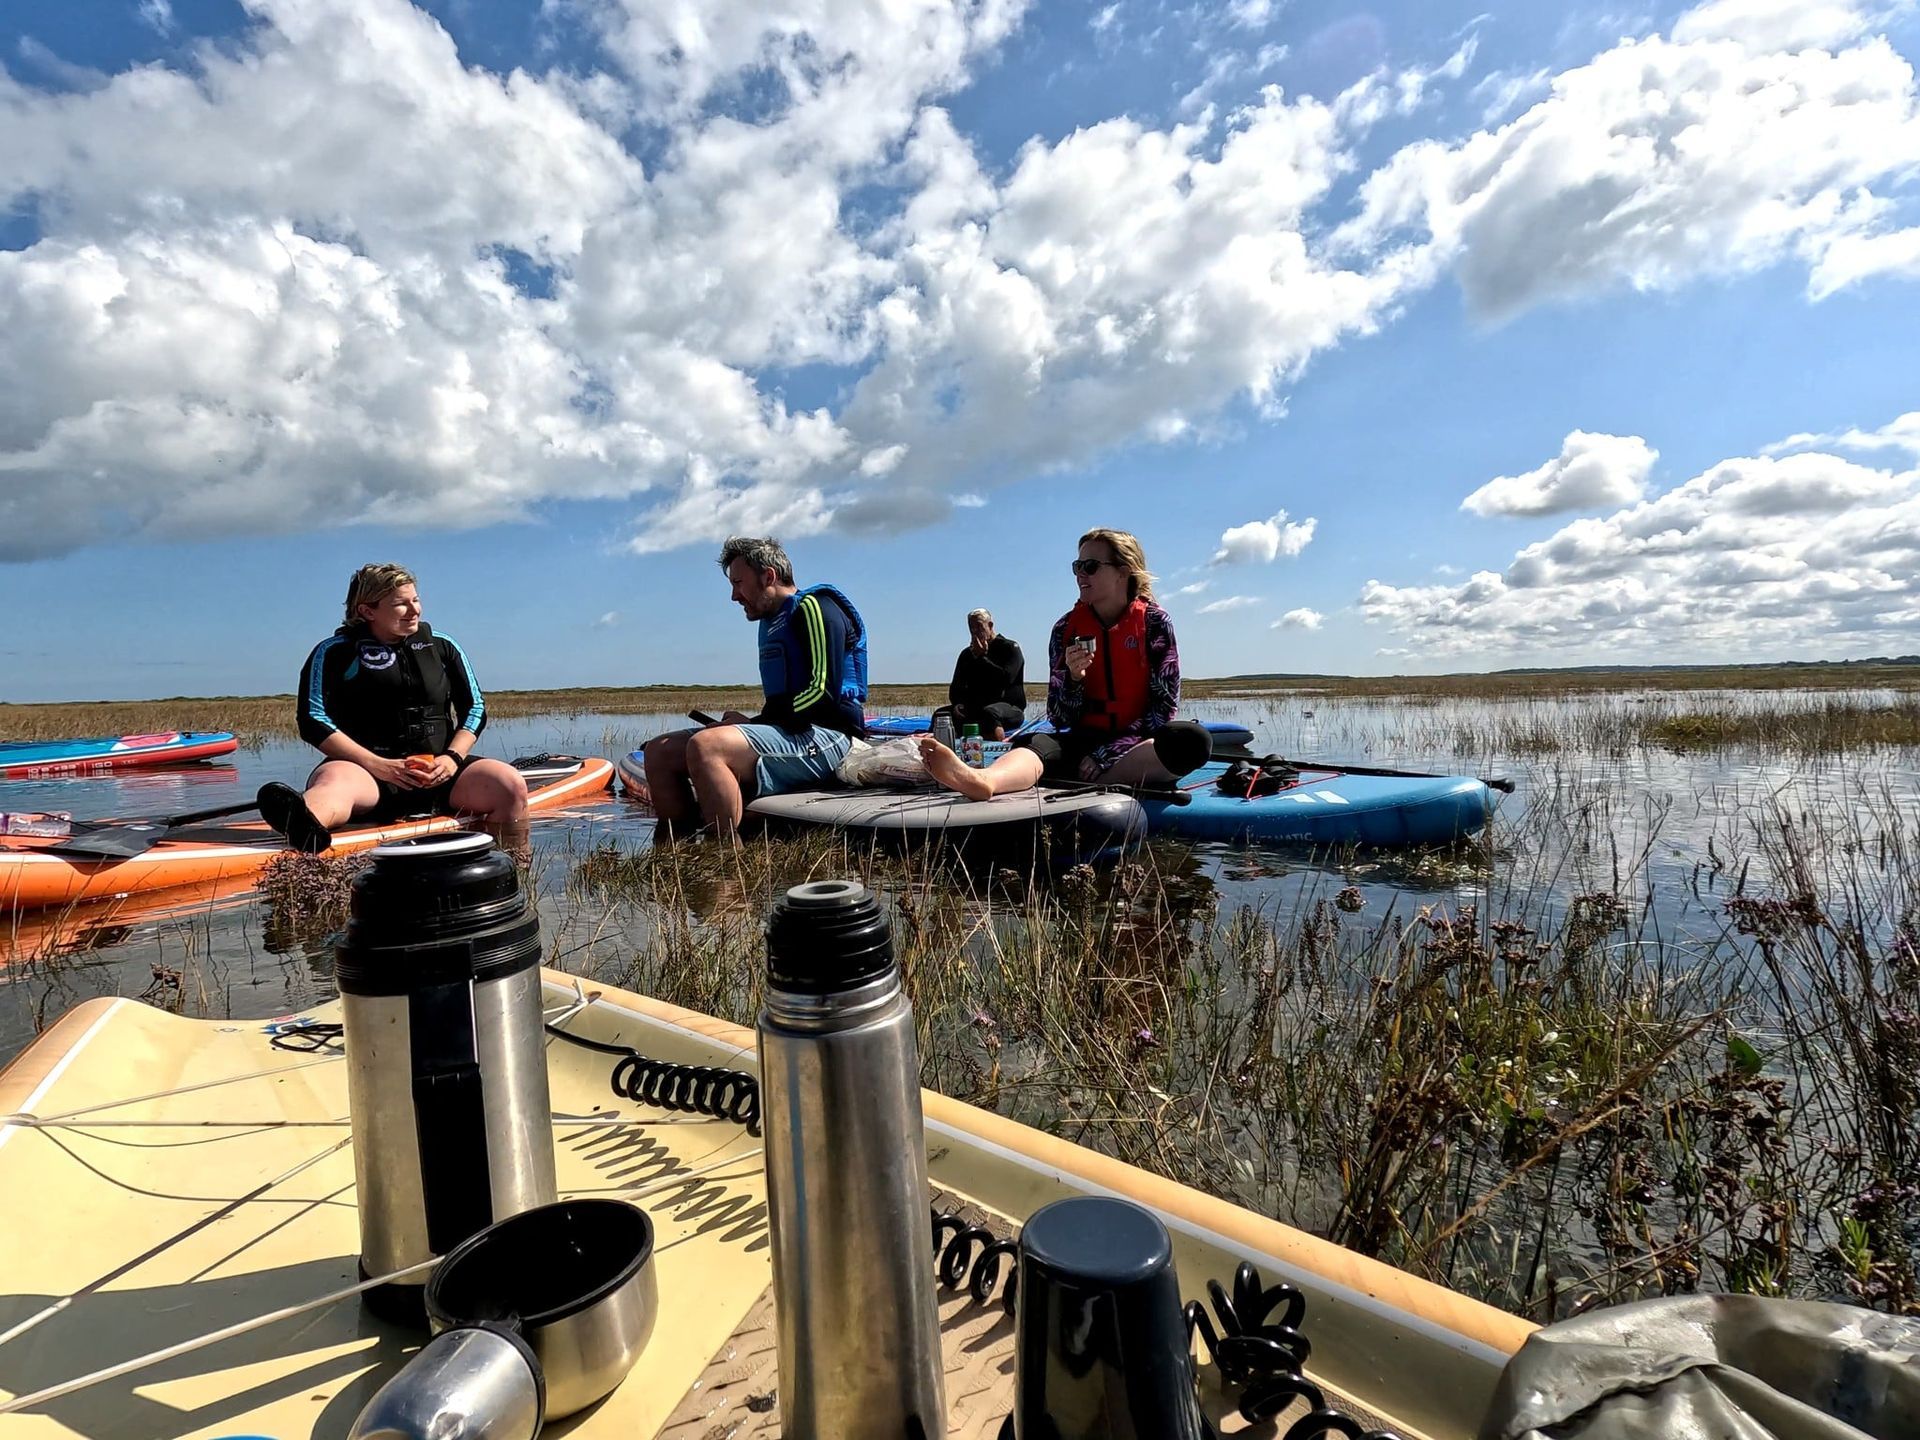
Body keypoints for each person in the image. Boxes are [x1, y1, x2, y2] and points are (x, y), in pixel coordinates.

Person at [917, 528, 1210, 801]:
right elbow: (1059, 717)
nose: (1081, 574)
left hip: (1135, 744)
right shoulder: (1064, 629)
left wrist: (1109, 752)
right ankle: (985, 781)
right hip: (1080, 742)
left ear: (1123, 571)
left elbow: (1163, 710)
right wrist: (1074, 679)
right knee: (1037, 744)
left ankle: (1095, 780)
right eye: (1077, 566)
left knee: (1190, 740)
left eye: (1091, 566)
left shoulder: (1155, 623)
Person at [257, 564, 528, 853]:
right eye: (401, 604)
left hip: (441, 774)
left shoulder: (442, 646)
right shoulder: (333, 653)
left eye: (416, 600)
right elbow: (313, 720)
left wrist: (451, 759)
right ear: (367, 611)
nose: (414, 610)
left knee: (509, 785)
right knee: (335, 787)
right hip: (365, 774)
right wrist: (379, 766)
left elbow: (474, 710)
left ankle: (511, 864)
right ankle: (304, 827)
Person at [641, 536, 868, 835]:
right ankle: (677, 850)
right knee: (659, 752)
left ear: (768, 576)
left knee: (706, 746)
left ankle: (725, 859)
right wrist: (751, 725)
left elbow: (822, 694)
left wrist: (754, 723)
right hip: (792, 735)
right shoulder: (770, 621)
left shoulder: (816, 609)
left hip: (833, 739)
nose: (734, 596)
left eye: (739, 583)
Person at [946, 608, 1027, 739]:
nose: (975, 632)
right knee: (942, 715)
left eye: (979, 626)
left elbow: (1006, 679)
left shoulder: (1010, 648)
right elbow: (956, 687)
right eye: (971, 628)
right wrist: (957, 704)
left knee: (989, 713)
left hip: (1008, 707)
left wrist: (982, 658)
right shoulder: (967, 654)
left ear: (990, 625)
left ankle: (996, 746)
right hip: (977, 707)